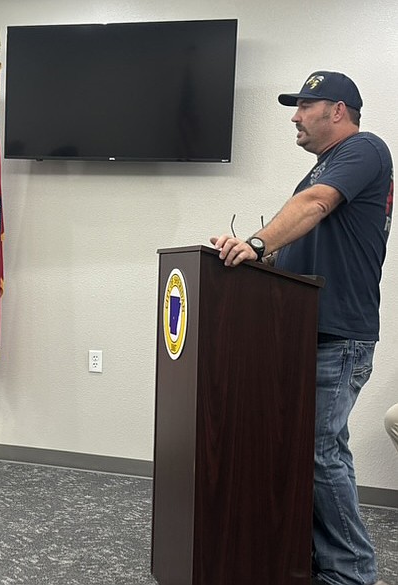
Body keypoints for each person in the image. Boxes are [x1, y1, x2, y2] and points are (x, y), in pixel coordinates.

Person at [210, 72, 392, 585]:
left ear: (338, 110)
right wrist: (251, 264)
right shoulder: (318, 170)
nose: (294, 116)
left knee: (318, 450)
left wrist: (257, 243)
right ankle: (317, 561)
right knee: (310, 450)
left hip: (340, 335)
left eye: (304, 106)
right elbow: (296, 240)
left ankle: (352, 573)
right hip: (301, 334)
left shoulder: (364, 150)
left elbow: (312, 208)